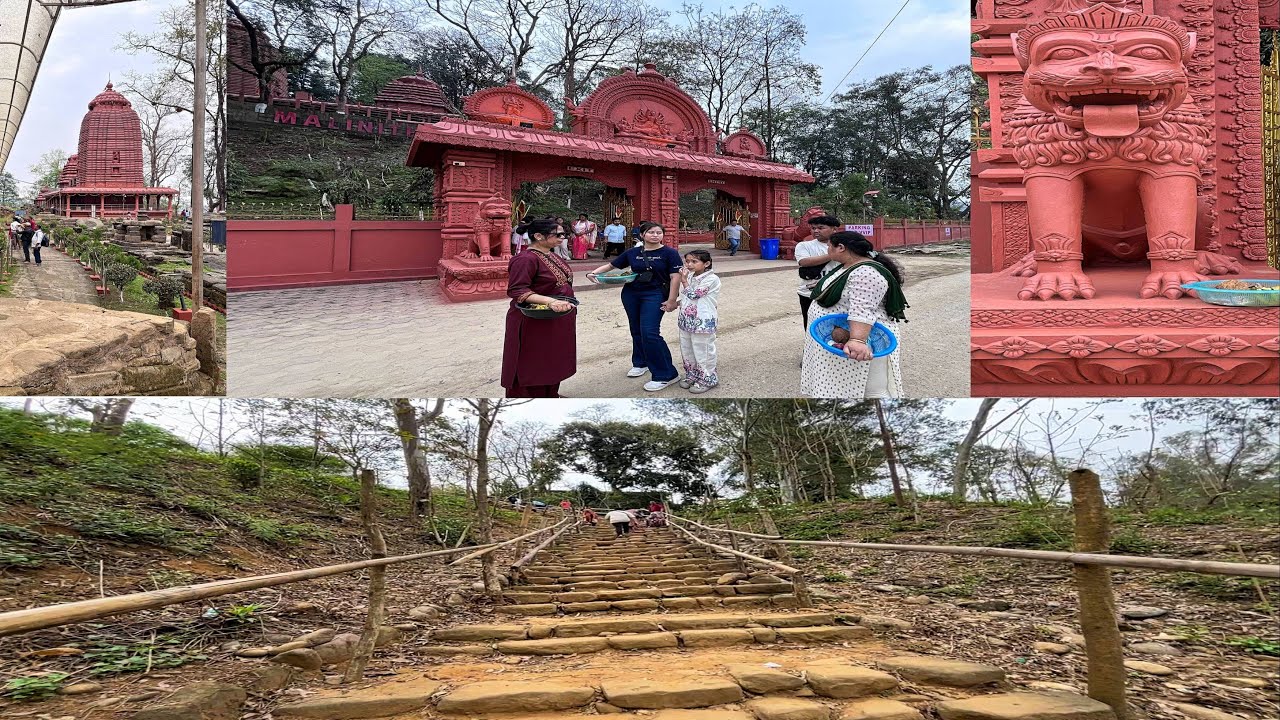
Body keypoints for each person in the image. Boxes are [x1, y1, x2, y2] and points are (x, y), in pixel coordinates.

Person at [801, 231, 908, 398]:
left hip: (864, 339)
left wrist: (857, 340)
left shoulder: (866, 272)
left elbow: (863, 309)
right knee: (844, 390)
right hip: (840, 337)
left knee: (872, 391)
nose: (827, 249)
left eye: (829, 246)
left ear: (841, 248)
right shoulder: (848, 266)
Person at [586, 221, 683, 392]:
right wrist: (593, 273)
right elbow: (611, 266)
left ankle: (666, 374)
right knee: (636, 330)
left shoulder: (670, 253)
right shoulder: (632, 252)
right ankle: (641, 362)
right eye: (651, 232)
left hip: (655, 294)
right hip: (631, 293)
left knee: (650, 333)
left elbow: (675, 277)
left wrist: (672, 300)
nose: (655, 235)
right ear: (642, 235)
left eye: (659, 232)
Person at [502, 218, 577, 397]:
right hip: (532, 320)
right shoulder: (525, 259)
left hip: (555, 317)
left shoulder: (551, 254)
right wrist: (550, 302)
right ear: (538, 236)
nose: (562, 237)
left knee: (552, 359)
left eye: (563, 234)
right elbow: (517, 290)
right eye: (557, 234)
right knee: (532, 362)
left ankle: (550, 394)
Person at [676, 249, 721, 393]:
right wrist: (674, 303)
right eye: (687, 261)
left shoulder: (712, 279)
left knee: (704, 351)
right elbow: (686, 297)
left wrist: (683, 280)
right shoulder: (690, 277)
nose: (689, 265)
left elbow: (694, 295)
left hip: (703, 321)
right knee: (687, 349)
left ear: (706, 263)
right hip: (686, 320)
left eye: (694, 261)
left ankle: (708, 378)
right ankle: (692, 374)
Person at [795, 215, 842, 329]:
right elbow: (804, 262)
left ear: (834, 229)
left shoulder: (844, 246)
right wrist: (833, 255)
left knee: (836, 326)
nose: (816, 231)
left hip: (836, 293)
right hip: (809, 293)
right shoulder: (804, 245)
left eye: (821, 228)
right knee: (811, 325)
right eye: (813, 228)